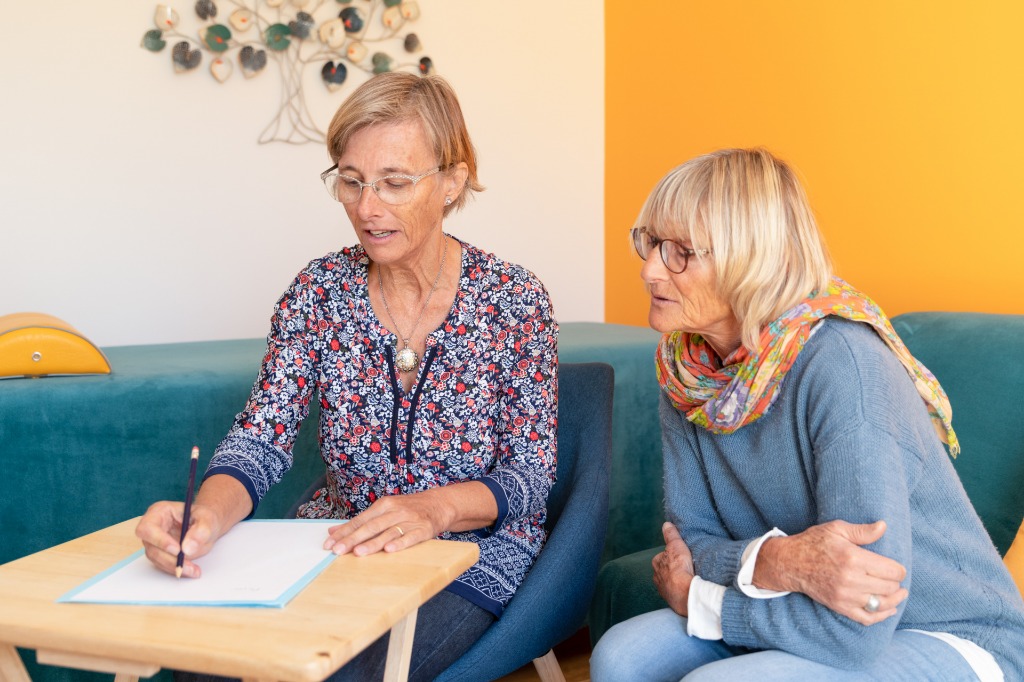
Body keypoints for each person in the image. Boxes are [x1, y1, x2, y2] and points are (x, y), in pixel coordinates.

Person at [135, 72, 558, 681]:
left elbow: (530, 477)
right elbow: (261, 439)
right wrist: (205, 515)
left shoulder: (514, 300)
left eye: (394, 183)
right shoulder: (318, 292)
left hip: (472, 554)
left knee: (340, 672)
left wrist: (435, 510)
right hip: (340, 540)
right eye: (352, 181)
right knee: (208, 663)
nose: (366, 207)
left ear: (453, 181)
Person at [589, 148, 1024, 681]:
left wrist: (704, 602)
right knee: (621, 655)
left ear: (753, 260)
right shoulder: (688, 372)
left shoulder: (844, 365)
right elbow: (691, 543)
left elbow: (859, 625)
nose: (650, 269)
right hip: (795, 603)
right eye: (652, 243)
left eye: (681, 252)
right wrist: (775, 563)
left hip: (943, 631)